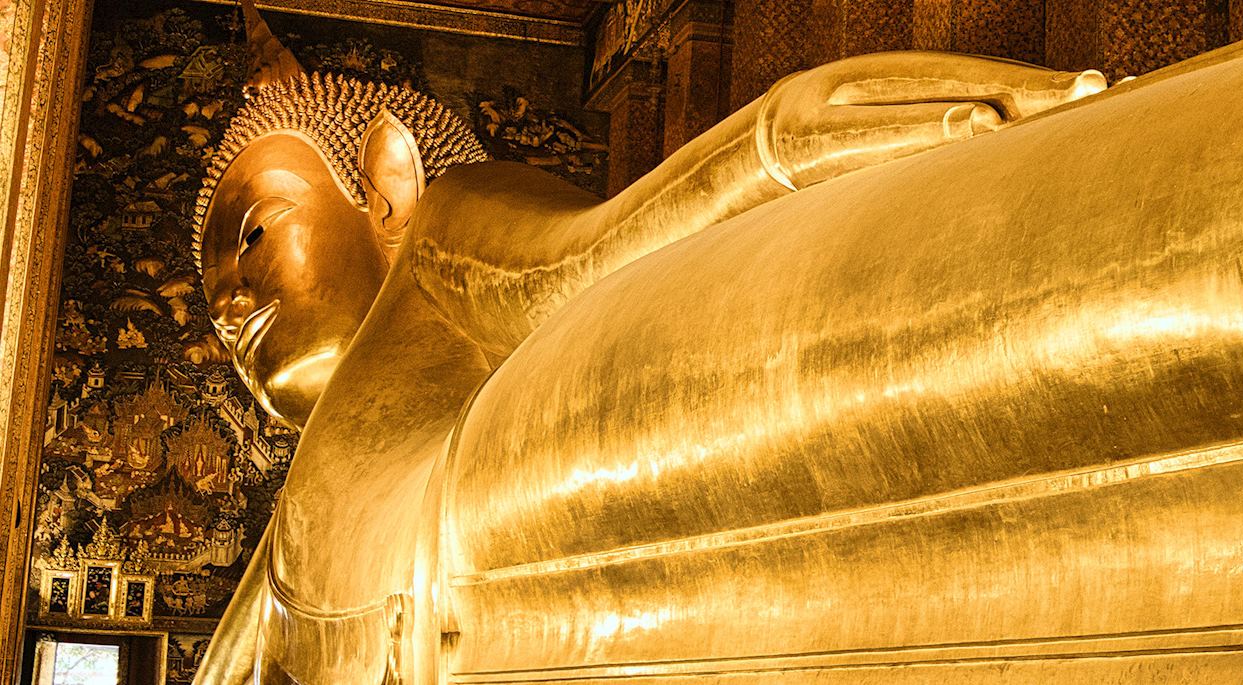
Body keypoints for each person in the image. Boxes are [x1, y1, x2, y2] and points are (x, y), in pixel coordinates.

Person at [195, 1, 1107, 681]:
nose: (232, 302)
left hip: (566, 543)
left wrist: (773, 145)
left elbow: (589, 254)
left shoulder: (443, 230)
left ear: (385, 189)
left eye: (253, 235)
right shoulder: (293, 533)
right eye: (212, 297)